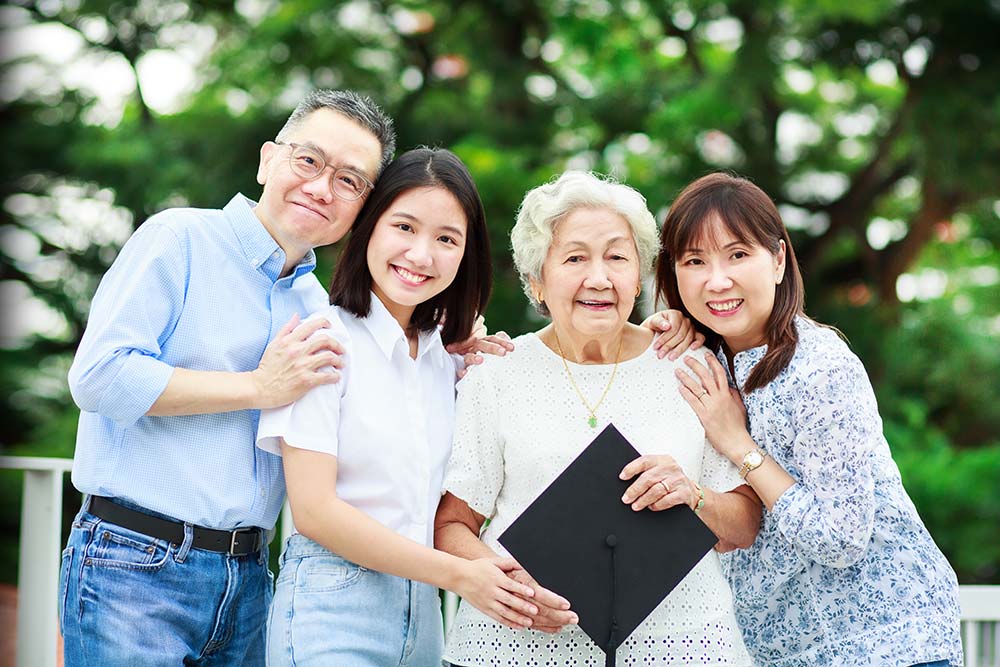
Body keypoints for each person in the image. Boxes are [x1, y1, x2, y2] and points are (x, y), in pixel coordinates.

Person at [61, 89, 395, 667]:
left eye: (350, 181)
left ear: (363, 208)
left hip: (248, 582)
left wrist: (452, 356)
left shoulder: (319, 308)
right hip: (134, 564)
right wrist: (257, 389)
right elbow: (99, 377)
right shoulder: (179, 238)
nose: (322, 187)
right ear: (268, 160)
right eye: (309, 161)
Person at [434, 171, 761, 666]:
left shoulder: (690, 365)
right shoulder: (496, 373)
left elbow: (743, 525)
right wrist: (505, 585)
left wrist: (692, 496)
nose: (599, 278)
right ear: (536, 281)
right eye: (574, 258)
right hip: (517, 648)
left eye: (616, 256)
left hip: (683, 647)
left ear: (639, 275)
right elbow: (453, 523)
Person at [656, 172, 963, 667]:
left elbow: (840, 537)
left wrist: (740, 445)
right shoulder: (705, 362)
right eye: (694, 261)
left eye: (738, 255)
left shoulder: (821, 368)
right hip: (788, 652)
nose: (717, 280)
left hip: (885, 643)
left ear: (778, 259)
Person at [257, 147, 544, 666]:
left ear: (465, 255)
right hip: (332, 607)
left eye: (446, 239)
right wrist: (458, 574)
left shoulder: (446, 360)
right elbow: (315, 512)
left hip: (424, 616)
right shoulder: (323, 340)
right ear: (369, 227)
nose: (421, 255)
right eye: (405, 227)